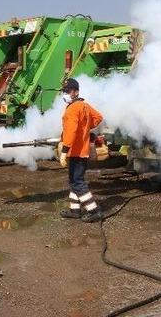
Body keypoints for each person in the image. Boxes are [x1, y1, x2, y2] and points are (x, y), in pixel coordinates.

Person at [58, 78, 104, 223]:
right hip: (82, 151)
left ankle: (94, 211)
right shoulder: (84, 105)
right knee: (73, 180)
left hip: (75, 151)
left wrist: (64, 151)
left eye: (68, 91)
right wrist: (86, 129)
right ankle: (75, 210)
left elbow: (70, 132)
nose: (65, 93)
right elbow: (98, 117)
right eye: (64, 91)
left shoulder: (72, 109)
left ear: (76, 92)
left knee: (77, 182)